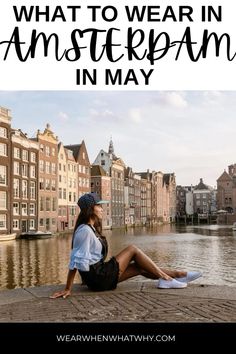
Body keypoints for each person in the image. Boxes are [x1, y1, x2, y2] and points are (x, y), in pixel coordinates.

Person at [51, 193, 202, 299]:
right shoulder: (84, 230)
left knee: (139, 268)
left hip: (98, 278)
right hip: (98, 277)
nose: (102, 209)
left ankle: (178, 275)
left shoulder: (91, 229)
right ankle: (167, 278)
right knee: (132, 249)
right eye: (99, 206)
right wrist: (67, 288)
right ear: (90, 209)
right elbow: (75, 261)